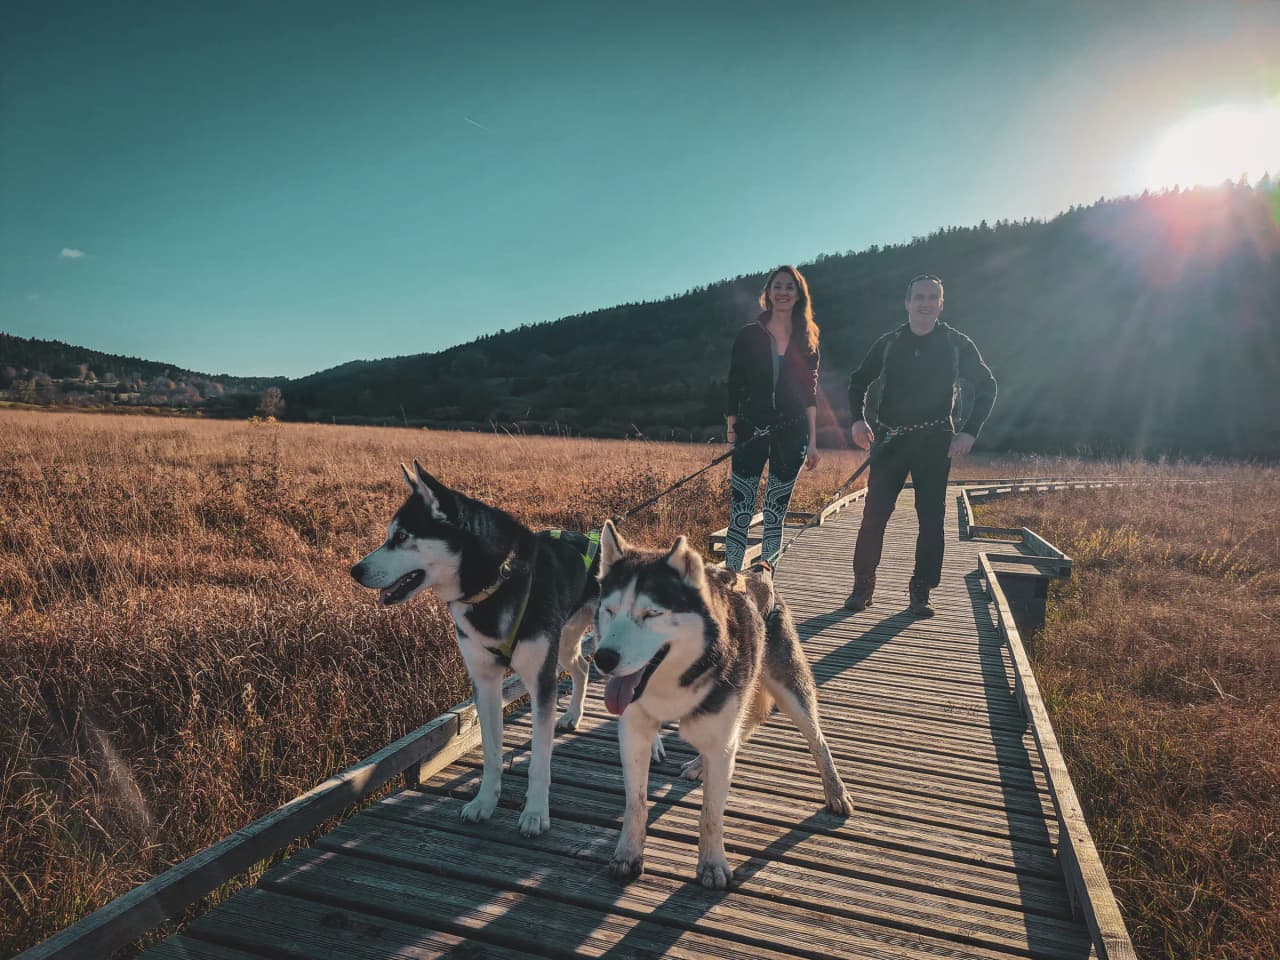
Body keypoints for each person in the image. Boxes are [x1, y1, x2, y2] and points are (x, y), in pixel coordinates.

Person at [844, 274, 996, 616]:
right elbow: (857, 382)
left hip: (935, 440)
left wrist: (969, 432)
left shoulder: (957, 344)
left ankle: (921, 589)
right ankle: (862, 585)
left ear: (941, 304)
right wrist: (857, 420)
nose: (925, 303)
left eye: (932, 297)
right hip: (890, 440)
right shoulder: (889, 343)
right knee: (874, 515)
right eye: (919, 297)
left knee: (931, 518)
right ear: (907, 303)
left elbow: (987, 386)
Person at [723, 265, 821, 571]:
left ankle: (766, 583)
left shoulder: (808, 337)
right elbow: (734, 382)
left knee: (775, 513)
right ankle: (731, 579)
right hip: (750, 431)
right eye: (777, 286)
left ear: (799, 294)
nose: (783, 293)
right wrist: (731, 426)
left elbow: (810, 393)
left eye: (790, 287)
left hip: (792, 434)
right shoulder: (750, 334)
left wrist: (814, 442)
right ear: (768, 293)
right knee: (740, 510)